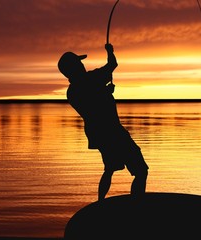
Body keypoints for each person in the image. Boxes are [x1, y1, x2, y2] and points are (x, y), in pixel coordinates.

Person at [58, 43, 149, 201]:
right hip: (113, 132)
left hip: (98, 135)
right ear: (74, 67)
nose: (82, 64)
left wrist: (105, 92)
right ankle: (137, 205)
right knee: (141, 171)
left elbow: (91, 103)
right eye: (79, 62)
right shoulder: (91, 79)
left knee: (109, 169)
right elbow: (112, 65)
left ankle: (100, 202)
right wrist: (110, 52)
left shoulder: (71, 92)